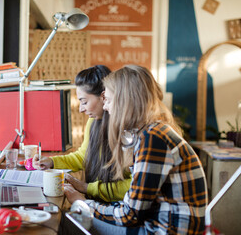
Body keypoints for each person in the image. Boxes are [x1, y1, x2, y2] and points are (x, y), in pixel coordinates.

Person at [65, 65, 208, 235]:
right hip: (157, 221)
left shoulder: (153, 139)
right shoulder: (150, 132)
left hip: (165, 230)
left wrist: (84, 203)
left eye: (108, 100)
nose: (105, 107)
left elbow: (130, 215)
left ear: (124, 102)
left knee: (73, 221)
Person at [33, 65, 131, 202]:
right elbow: (83, 157)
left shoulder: (128, 132)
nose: (80, 109)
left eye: (84, 102)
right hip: (98, 202)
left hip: (117, 206)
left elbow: (133, 187)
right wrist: (51, 162)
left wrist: (86, 188)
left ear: (104, 96)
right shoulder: (93, 122)